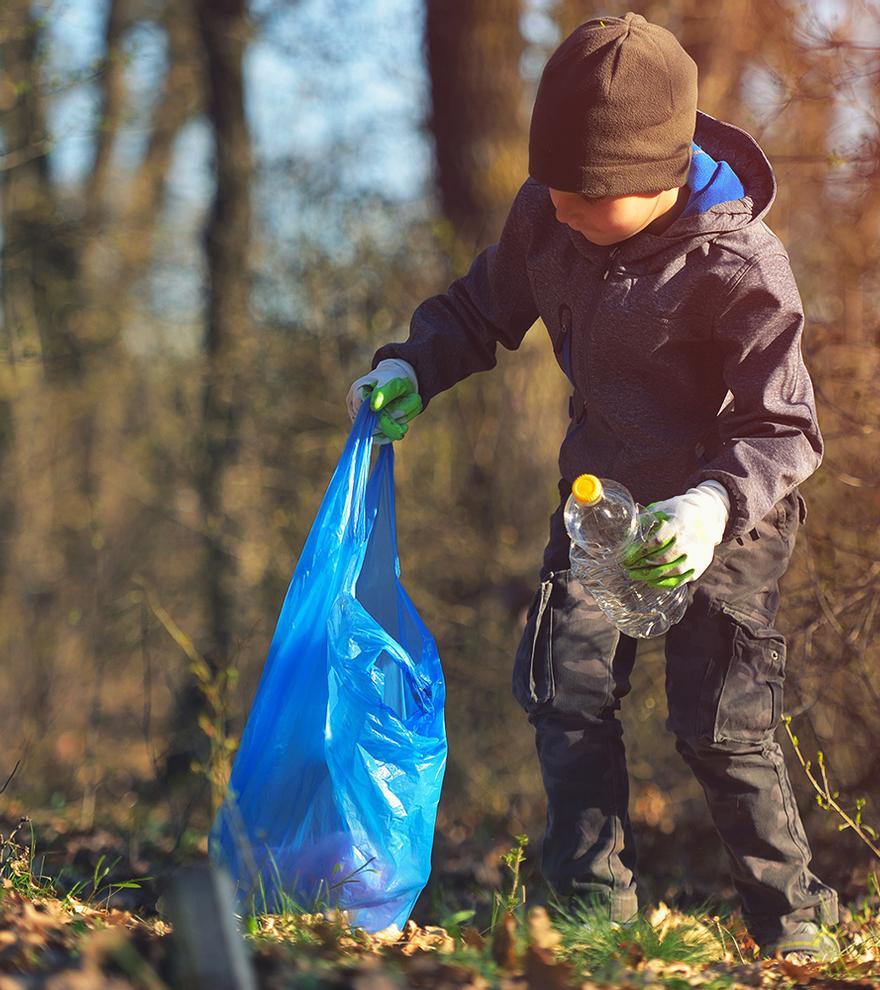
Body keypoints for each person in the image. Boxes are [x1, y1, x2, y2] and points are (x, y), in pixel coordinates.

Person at [346, 12, 839, 962]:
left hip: (723, 520)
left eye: (582, 193)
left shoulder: (738, 265)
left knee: (722, 730)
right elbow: (478, 307)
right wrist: (413, 365)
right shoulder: (549, 215)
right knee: (564, 691)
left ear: (654, 181)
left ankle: (795, 924)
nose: (556, 206)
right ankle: (591, 910)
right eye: (550, 185)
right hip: (601, 504)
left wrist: (708, 506)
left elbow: (785, 426)